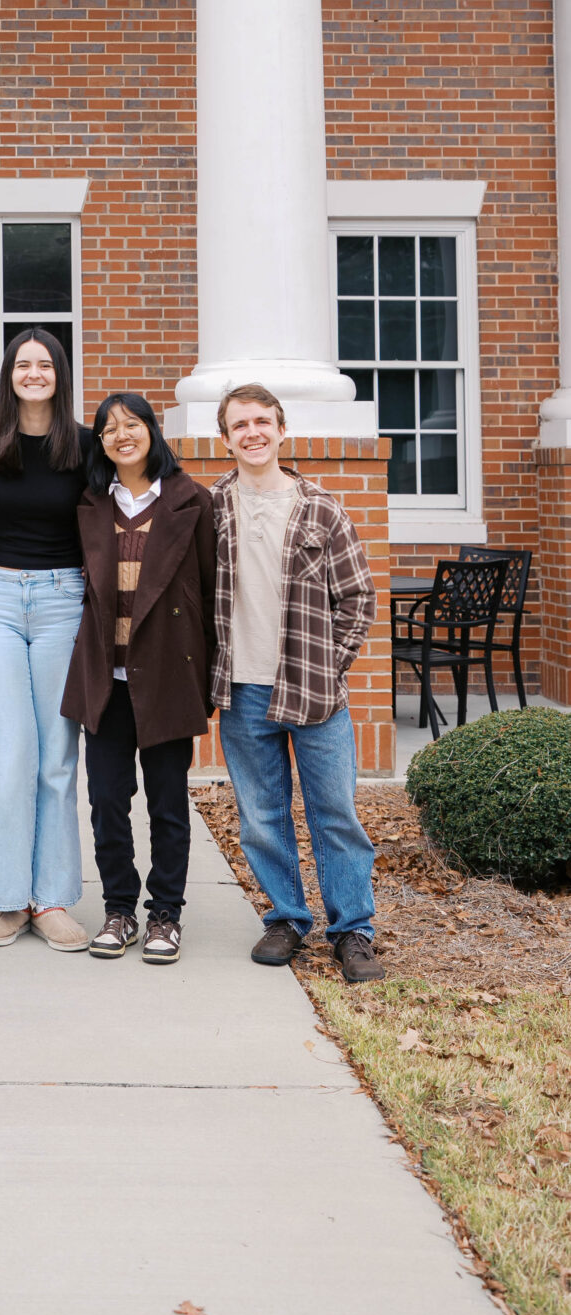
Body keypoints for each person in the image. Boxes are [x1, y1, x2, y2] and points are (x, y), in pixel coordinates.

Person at [211, 383, 384, 984]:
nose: (253, 433)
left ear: (282, 429)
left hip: (315, 693)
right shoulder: (211, 510)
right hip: (242, 690)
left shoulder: (321, 507)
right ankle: (286, 918)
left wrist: (328, 667)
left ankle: (353, 931)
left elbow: (359, 598)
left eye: (263, 421)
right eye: (240, 425)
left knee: (334, 813)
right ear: (225, 438)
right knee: (261, 816)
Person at [61, 393, 215, 965]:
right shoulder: (91, 505)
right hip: (107, 677)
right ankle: (120, 909)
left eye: (132, 424)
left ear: (152, 430)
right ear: (99, 443)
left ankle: (166, 915)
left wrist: (208, 680)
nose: (121, 434)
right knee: (106, 800)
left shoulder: (191, 502)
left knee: (168, 803)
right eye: (108, 429)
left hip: (168, 676)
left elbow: (209, 596)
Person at [0, 329, 90, 952]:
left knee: (57, 756)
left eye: (45, 364)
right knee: (9, 753)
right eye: (23, 364)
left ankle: (54, 898)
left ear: (60, 374)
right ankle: (11, 899)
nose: (33, 372)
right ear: (9, 373)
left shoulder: (85, 446)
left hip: (64, 601)